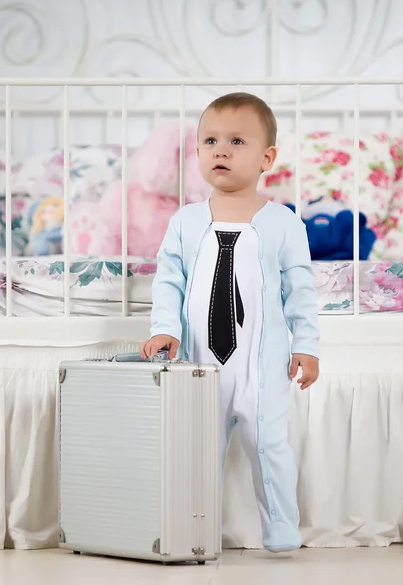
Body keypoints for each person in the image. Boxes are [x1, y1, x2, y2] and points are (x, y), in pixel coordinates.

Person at [140, 92, 320, 553]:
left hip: (262, 362)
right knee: (199, 449)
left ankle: (281, 529)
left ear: (267, 158)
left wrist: (308, 345)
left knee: (269, 445)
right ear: (198, 152)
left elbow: (300, 289)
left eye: (236, 141)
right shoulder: (185, 221)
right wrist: (166, 329)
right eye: (210, 140)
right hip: (201, 361)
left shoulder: (283, 222)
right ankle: (195, 533)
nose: (220, 150)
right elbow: (169, 282)